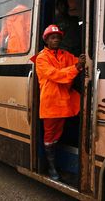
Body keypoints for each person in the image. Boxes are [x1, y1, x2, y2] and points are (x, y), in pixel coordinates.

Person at [34, 24, 86, 180]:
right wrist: (76, 68)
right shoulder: (41, 57)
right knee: (50, 135)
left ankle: (56, 163)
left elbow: (78, 62)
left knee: (58, 134)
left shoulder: (66, 54)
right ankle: (51, 168)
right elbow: (55, 74)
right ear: (46, 40)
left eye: (58, 37)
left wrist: (83, 60)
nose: (55, 39)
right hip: (50, 104)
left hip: (64, 102)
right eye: (52, 37)